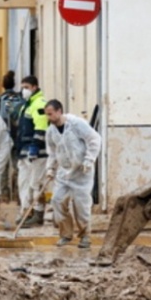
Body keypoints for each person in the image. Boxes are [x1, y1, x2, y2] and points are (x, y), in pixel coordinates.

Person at [44, 100, 102, 249]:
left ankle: (85, 236)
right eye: (47, 115)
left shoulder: (76, 124)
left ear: (59, 111)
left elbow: (94, 139)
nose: (48, 117)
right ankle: (65, 234)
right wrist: (50, 169)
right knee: (57, 200)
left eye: (50, 114)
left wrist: (89, 160)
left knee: (81, 205)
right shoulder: (51, 131)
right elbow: (52, 152)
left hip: (81, 171)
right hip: (64, 173)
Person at [15, 76, 50, 227]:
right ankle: (26, 212)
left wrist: (35, 145)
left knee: (35, 183)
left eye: (27, 87)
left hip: (37, 151)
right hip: (24, 150)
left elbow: (41, 126)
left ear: (35, 87)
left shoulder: (39, 104)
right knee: (23, 183)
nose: (24, 90)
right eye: (23, 87)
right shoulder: (26, 105)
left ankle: (38, 214)